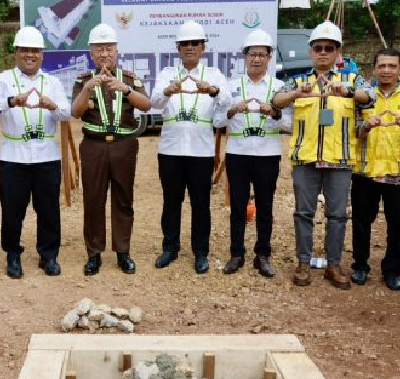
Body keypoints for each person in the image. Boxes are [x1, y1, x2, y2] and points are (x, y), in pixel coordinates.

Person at [271, 21, 371, 289]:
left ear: (338, 52)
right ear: (311, 52)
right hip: (306, 158)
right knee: (304, 213)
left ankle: (334, 264)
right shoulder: (298, 80)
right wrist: (296, 93)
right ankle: (304, 263)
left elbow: (369, 96)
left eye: (329, 48)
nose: (323, 53)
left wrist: (347, 91)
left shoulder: (351, 80)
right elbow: (275, 102)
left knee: (337, 215)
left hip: (339, 159)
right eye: (318, 48)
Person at [0, 26, 70, 278]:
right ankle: (13, 255)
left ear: (42, 54)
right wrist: (11, 101)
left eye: (35, 51)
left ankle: (48, 255)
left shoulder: (51, 82)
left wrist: (51, 105)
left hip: (46, 155)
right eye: (24, 50)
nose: (30, 55)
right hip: (13, 154)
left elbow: (67, 112)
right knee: (12, 209)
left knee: (48, 209)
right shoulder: (3, 80)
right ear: (16, 52)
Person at [70, 23, 151, 276]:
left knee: (123, 199)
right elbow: (75, 112)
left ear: (117, 51)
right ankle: (94, 254)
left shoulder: (129, 78)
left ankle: (123, 252)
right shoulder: (83, 80)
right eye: (99, 49)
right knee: (93, 200)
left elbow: (147, 105)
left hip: (124, 146)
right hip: (93, 146)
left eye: (109, 48)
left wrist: (125, 89)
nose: (105, 54)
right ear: (91, 54)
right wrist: (87, 89)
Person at [151, 20, 229, 274]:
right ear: (177, 48)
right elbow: (154, 102)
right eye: (184, 43)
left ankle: (200, 251)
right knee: (171, 202)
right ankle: (170, 248)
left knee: (200, 203)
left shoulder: (215, 75)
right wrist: (167, 90)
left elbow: (226, 103)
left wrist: (213, 90)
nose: (189, 48)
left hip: (201, 151)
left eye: (195, 43)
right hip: (171, 151)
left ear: (203, 47)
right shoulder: (166, 74)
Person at [350, 47, 400, 291]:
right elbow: (351, 131)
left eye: (392, 66)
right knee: (362, 222)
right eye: (382, 65)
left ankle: (392, 271)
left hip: (399, 172)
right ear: (374, 69)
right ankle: (360, 266)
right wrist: (365, 126)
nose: (386, 70)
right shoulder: (363, 96)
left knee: (398, 225)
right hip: (365, 170)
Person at [218, 29, 286, 277]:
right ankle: (237, 253)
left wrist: (275, 113)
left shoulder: (279, 87)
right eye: (252, 54)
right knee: (237, 205)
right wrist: (233, 110)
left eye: (262, 54)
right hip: (238, 153)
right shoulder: (231, 86)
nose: (256, 59)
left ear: (269, 57)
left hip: (268, 154)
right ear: (244, 57)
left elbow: (289, 123)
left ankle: (263, 255)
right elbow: (216, 120)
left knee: (265, 206)